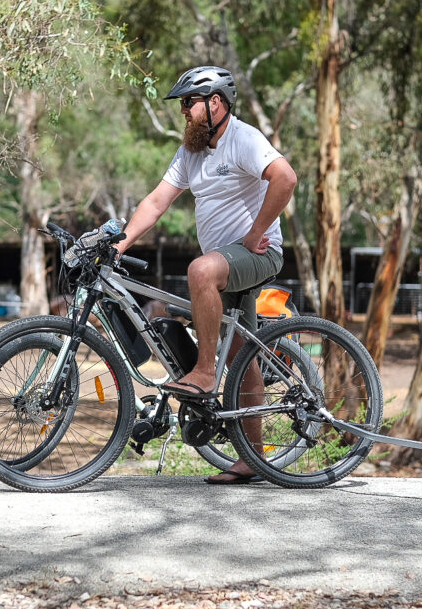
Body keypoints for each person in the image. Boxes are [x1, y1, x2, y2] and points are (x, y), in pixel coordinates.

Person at [113, 65, 297, 484]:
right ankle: (251, 457)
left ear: (216, 103)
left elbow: (285, 178)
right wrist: (118, 243)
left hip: (257, 254)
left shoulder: (243, 138)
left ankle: (204, 373)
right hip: (226, 263)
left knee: (200, 270)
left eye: (189, 103)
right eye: (182, 104)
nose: (184, 111)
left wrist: (254, 233)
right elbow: (157, 202)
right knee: (243, 357)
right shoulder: (191, 152)